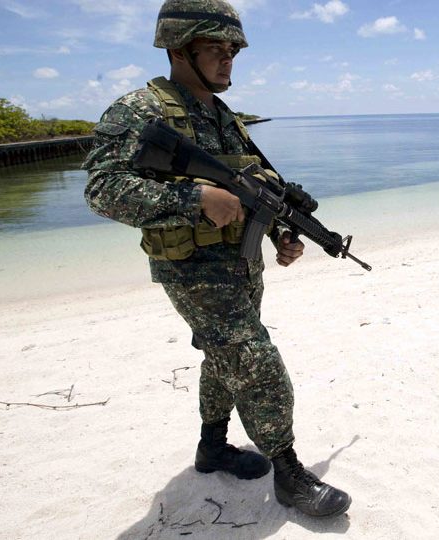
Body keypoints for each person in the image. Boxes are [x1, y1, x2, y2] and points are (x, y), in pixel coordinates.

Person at [82, 0, 351, 518]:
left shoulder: (225, 117)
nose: (228, 60)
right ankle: (288, 471)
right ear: (179, 50)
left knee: (222, 358)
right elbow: (102, 190)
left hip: (241, 267)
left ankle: (213, 447)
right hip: (193, 269)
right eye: (216, 49)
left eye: (233, 51)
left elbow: (254, 190)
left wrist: (280, 235)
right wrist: (196, 199)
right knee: (255, 360)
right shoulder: (140, 110)